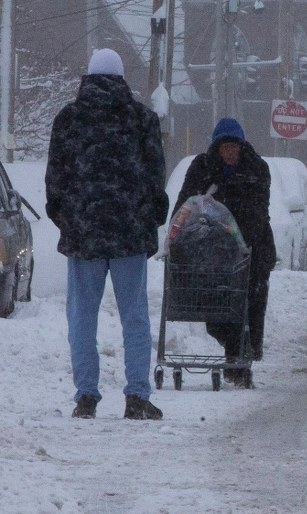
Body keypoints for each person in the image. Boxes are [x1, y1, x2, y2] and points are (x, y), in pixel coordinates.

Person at [45, 48, 169, 420]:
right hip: (130, 233)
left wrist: (66, 216)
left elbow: (55, 177)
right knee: (135, 316)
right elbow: (154, 175)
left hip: (84, 233)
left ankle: (85, 395)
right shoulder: (142, 118)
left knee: (82, 316)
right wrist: (150, 216)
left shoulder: (68, 118)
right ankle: (136, 397)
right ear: (120, 78)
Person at [172, 118, 276, 383]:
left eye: (234, 147)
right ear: (217, 148)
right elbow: (185, 206)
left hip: (250, 248)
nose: (230, 152)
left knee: (246, 301)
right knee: (214, 303)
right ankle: (236, 354)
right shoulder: (202, 168)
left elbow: (258, 213)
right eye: (225, 147)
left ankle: (240, 357)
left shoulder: (256, 169)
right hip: (209, 250)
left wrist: (236, 238)